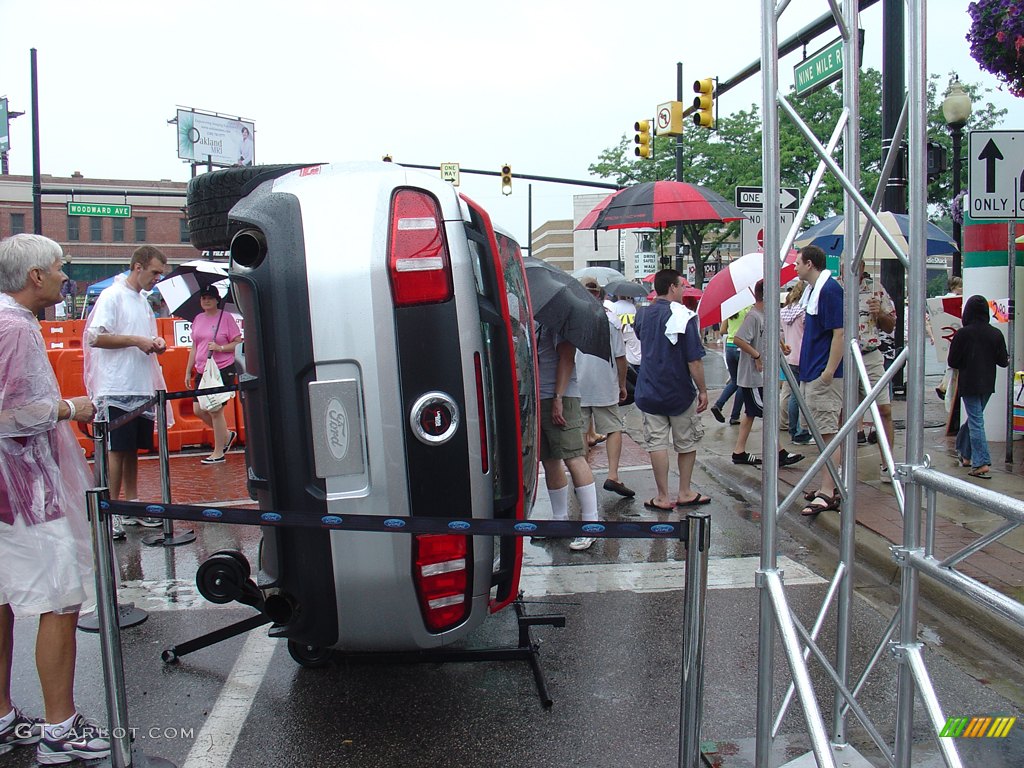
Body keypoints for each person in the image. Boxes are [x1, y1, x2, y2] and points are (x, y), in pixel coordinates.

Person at [0, 234, 111, 763]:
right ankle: (60, 729)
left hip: (11, 493)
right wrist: (70, 408)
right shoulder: (14, 328)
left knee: (3, 596)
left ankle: (3, 717)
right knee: (61, 598)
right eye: (59, 267)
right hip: (25, 493)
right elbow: (10, 414)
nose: (67, 275)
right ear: (34, 277)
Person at [84, 246, 169, 534]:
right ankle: (113, 510)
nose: (157, 278)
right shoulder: (112, 295)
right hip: (116, 385)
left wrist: (153, 342)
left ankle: (131, 505)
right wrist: (136, 340)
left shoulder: (143, 301)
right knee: (117, 451)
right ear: (138, 267)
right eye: (155, 271)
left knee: (131, 449)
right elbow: (95, 337)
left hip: (139, 383)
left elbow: (140, 337)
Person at [633, 269, 711, 510]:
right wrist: (703, 390)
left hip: (649, 389)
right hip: (679, 390)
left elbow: (641, 339)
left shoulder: (642, 315)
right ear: (672, 287)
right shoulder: (686, 317)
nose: (684, 290)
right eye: (682, 286)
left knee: (656, 443)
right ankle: (685, 491)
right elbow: (694, 360)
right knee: (686, 442)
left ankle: (662, 496)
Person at [535, 322, 601, 551]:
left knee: (573, 457)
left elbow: (567, 358)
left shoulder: (560, 322)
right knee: (550, 460)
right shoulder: (537, 320)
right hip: (540, 397)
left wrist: (558, 397)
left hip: (561, 398)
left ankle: (591, 524)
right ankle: (559, 520)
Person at [729, 280, 804, 469]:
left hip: (760, 376)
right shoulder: (753, 316)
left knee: (751, 413)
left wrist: (782, 346)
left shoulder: (766, 316)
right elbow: (739, 339)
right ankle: (779, 452)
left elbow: (771, 335)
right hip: (753, 377)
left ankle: (739, 451)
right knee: (767, 412)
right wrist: (756, 355)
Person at [795, 245, 844, 516]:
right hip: (812, 370)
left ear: (811, 264)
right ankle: (830, 484)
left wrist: (828, 371)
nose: (795, 267)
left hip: (822, 374)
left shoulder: (829, 290)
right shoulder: (815, 291)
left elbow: (839, 333)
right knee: (820, 432)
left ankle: (828, 490)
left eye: (799, 262)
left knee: (827, 434)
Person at [576, 281, 634, 499]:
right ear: (600, 295)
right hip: (604, 382)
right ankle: (613, 475)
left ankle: (583, 478)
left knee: (581, 431)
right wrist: (621, 384)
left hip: (578, 382)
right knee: (613, 428)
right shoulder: (610, 320)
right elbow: (620, 357)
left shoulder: (573, 318)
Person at [949, 294, 1008, 480]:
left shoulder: (963, 333)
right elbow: (1003, 361)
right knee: (976, 419)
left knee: (976, 421)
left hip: (969, 382)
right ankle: (965, 454)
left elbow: (953, 360)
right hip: (988, 383)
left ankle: (981, 462)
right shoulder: (996, 333)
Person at [186, 285, 242, 464]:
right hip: (202, 368)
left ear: (217, 300)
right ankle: (226, 435)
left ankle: (218, 452)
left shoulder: (226, 318)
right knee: (198, 409)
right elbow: (195, 346)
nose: (206, 300)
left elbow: (237, 342)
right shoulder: (198, 319)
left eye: (210, 297)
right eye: (203, 297)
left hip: (222, 368)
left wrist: (220, 348)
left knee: (215, 410)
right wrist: (188, 370)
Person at [853, 258, 897, 476]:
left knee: (884, 409)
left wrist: (879, 313)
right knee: (845, 413)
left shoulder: (875, 290)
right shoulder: (836, 289)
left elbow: (890, 327)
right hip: (846, 357)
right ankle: (843, 464)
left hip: (870, 354)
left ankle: (888, 464)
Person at [779, 282, 811, 444]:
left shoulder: (783, 313)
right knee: (802, 396)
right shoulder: (804, 314)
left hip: (789, 357)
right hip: (804, 357)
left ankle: (793, 429)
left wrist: (784, 347)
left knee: (792, 395)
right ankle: (801, 431)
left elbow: (780, 335)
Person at [710, 306, 749, 425]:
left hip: (730, 348)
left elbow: (722, 331)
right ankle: (735, 415)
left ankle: (719, 404)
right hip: (742, 346)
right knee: (743, 383)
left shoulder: (730, 309)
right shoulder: (748, 310)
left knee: (734, 381)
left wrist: (733, 329)